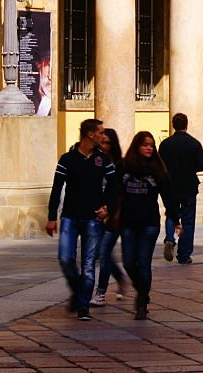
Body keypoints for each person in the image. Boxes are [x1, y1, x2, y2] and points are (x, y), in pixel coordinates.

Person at [46, 118, 118, 321]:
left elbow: (114, 186)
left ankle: (83, 306)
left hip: (93, 218)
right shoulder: (67, 159)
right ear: (90, 134)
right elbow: (57, 188)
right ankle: (79, 292)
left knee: (87, 264)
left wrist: (108, 208)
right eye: (101, 132)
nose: (104, 136)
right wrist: (52, 216)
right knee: (65, 258)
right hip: (70, 216)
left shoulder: (102, 159)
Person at [120, 131, 179, 320]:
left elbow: (169, 196)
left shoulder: (157, 168)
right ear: (137, 145)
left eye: (151, 145)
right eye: (145, 144)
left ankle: (141, 303)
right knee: (129, 262)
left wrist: (175, 219)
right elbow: (115, 191)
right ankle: (143, 292)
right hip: (128, 221)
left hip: (149, 222)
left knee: (143, 262)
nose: (149, 148)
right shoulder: (125, 166)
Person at [90, 128, 131, 306]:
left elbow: (120, 192)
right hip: (98, 214)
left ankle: (100, 292)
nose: (104, 146)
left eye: (107, 143)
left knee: (104, 251)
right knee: (103, 252)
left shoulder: (120, 165)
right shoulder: (96, 162)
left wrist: (110, 209)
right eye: (102, 142)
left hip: (114, 216)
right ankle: (121, 279)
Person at [158, 113, 203, 265]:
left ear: (173, 125)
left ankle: (170, 239)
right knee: (188, 220)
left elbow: (160, 165)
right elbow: (201, 165)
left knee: (171, 214)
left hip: (171, 186)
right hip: (189, 187)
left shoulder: (165, 144)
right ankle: (184, 254)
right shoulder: (194, 144)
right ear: (186, 125)